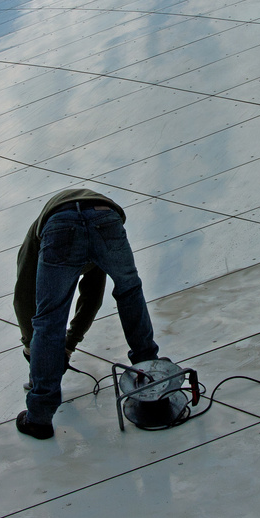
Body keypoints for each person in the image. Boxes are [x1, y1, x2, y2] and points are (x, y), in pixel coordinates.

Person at [14, 187, 159, 439]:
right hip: (106, 217)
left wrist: (32, 344)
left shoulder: (34, 239)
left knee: (48, 318)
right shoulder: (87, 240)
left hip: (59, 223)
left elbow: (24, 298)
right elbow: (92, 297)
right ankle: (150, 374)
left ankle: (38, 418)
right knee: (129, 291)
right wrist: (69, 344)